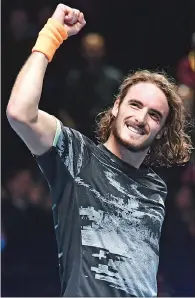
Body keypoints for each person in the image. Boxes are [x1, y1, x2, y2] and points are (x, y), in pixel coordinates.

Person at [6, 4, 193, 297]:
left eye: (154, 115)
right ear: (117, 106)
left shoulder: (156, 187)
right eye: (135, 105)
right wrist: (51, 35)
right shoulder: (77, 155)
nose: (141, 118)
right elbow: (20, 112)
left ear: (161, 131)